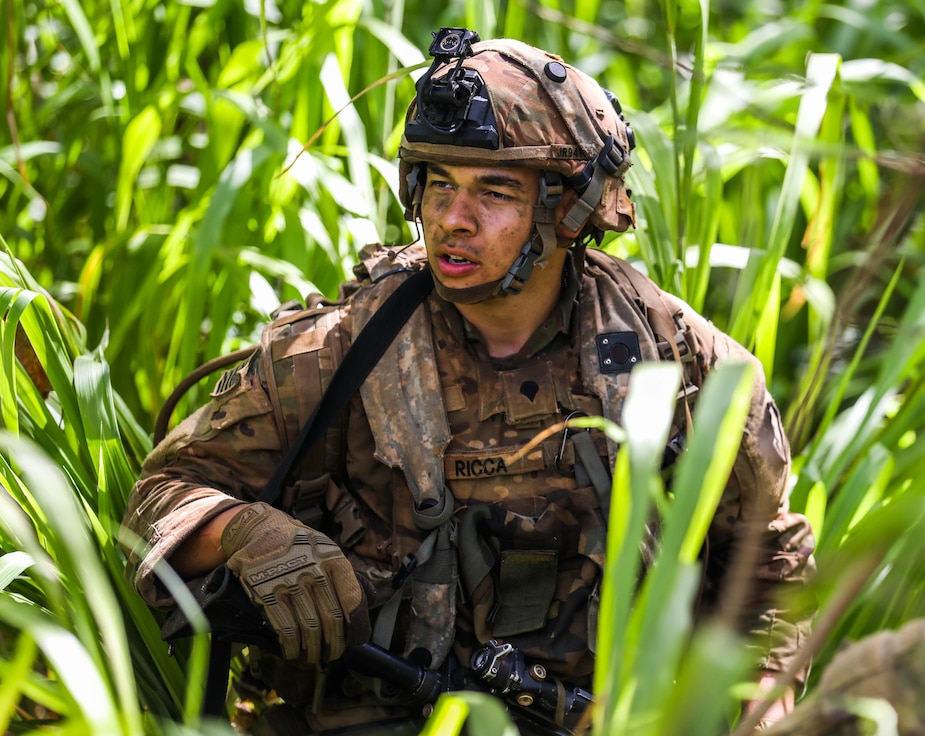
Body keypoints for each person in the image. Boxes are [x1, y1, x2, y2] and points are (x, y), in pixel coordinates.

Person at [122, 28, 815, 735]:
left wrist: (759, 700)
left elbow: (766, 555)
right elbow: (157, 502)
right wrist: (246, 532)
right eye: (439, 184)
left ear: (565, 210)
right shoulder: (336, 353)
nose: (452, 220)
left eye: (494, 192)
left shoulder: (678, 360)